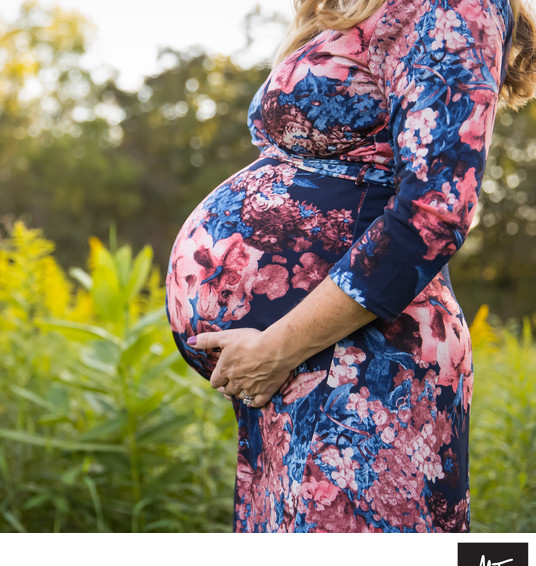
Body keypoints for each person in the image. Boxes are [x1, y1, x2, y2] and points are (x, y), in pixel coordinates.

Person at [165, 0, 536, 532]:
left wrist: (277, 347)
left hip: (363, 362)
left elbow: (436, 208)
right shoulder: (359, 12)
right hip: (304, 367)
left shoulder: (451, 4)